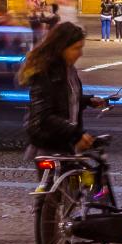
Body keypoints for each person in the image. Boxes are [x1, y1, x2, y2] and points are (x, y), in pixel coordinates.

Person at [18, 22, 103, 155]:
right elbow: (44, 116)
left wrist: (87, 100)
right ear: (61, 48)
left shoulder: (69, 69)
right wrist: (77, 133)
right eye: (76, 48)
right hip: (50, 144)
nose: (80, 53)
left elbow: (65, 99)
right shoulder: (45, 72)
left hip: (66, 140)